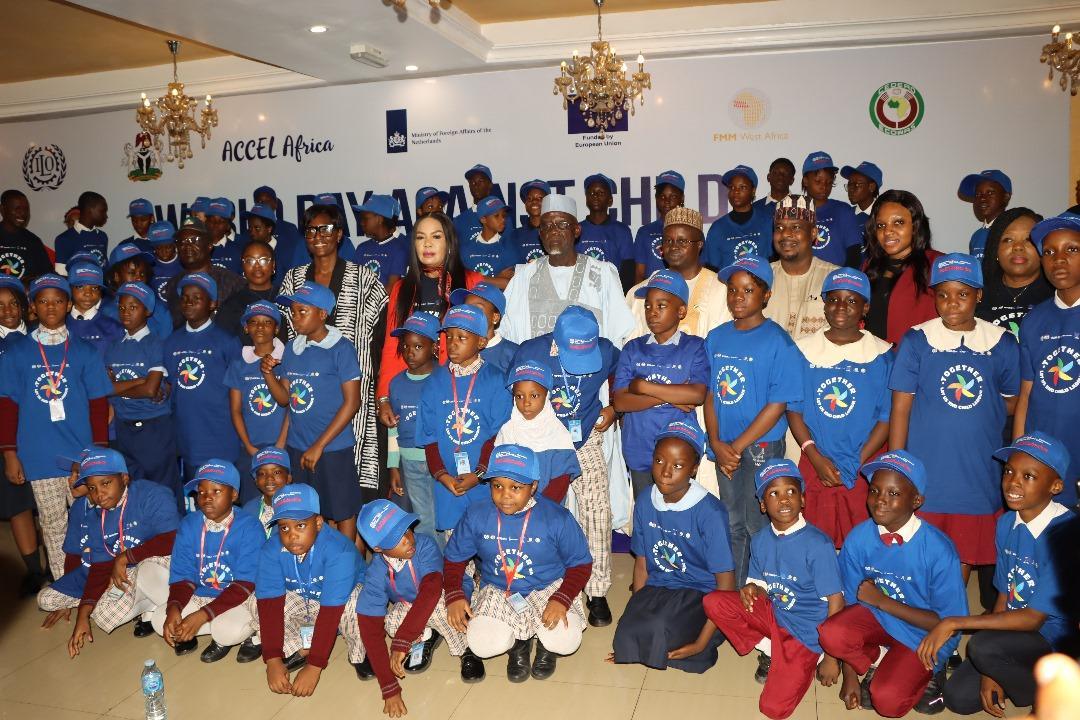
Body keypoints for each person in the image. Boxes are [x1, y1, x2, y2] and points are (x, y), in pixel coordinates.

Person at [916, 433, 1080, 717]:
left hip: (1054, 641)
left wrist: (954, 622)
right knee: (958, 698)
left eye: (1029, 476)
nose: (1013, 482)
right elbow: (1004, 596)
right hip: (1016, 637)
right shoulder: (1006, 523)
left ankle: (1053, 691)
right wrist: (991, 671)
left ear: (1055, 486)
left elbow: (1033, 619)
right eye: (1009, 471)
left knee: (982, 645)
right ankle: (1019, 675)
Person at [890, 253, 1019, 582]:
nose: (952, 303)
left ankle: (951, 610)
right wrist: (897, 465)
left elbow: (1012, 400)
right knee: (922, 551)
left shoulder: (1002, 343)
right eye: (943, 294)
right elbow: (901, 407)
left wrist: (977, 412)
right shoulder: (917, 340)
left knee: (963, 552)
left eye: (963, 294)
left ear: (979, 295)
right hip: (927, 468)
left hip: (976, 470)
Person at [818, 451, 967, 717]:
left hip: (925, 635)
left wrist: (881, 601)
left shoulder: (938, 550)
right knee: (831, 633)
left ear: (916, 501)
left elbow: (948, 623)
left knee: (887, 702)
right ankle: (879, 659)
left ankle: (931, 670)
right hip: (880, 621)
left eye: (894, 493)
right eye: (874, 490)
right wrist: (849, 675)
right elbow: (848, 605)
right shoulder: (860, 538)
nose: (880, 500)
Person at [703, 459, 844, 720]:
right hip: (775, 615)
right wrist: (752, 588)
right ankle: (771, 649)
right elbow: (761, 586)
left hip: (806, 633)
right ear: (762, 505)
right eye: (773, 494)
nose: (784, 499)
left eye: (791, 491)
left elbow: (836, 602)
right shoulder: (760, 540)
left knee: (773, 709)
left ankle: (804, 657)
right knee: (714, 601)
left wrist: (831, 656)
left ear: (803, 499)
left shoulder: (818, 545)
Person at [509, 305, 620, 627]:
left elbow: (621, 373)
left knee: (598, 510)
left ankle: (596, 590)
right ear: (556, 340)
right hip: (541, 442)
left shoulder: (606, 350)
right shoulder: (531, 352)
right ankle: (543, 581)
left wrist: (614, 407)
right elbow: (513, 396)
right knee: (539, 511)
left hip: (584, 437)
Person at [443, 444, 593, 682]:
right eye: (497, 486)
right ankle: (518, 644)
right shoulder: (476, 514)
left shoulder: (557, 518)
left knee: (566, 641)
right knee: (481, 644)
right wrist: (454, 594)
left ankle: (545, 645)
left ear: (533, 486)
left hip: (548, 588)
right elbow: (454, 558)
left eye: (516, 487)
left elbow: (581, 564)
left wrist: (562, 598)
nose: (505, 495)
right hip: (499, 589)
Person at [0, 274, 112, 581]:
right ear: (32, 307)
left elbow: (98, 406)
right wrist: (10, 454)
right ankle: (65, 584)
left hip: (81, 456)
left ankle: (94, 581)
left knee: (92, 520)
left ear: (69, 305)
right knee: (52, 524)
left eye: (58, 300)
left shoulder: (85, 352)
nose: (51, 307)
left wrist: (98, 455)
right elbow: (7, 407)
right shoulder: (16, 354)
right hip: (38, 456)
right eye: (43, 301)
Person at [280, 203, 388, 505]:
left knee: (348, 496)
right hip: (309, 398)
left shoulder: (364, 279)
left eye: (325, 228)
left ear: (339, 234)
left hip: (354, 395)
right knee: (310, 495)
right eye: (311, 230)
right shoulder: (293, 280)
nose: (318, 236)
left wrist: (381, 392)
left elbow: (380, 340)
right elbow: (287, 338)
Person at [704, 256, 801, 587]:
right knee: (733, 520)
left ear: (766, 295)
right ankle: (735, 590)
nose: (738, 297)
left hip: (761, 446)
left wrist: (736, 447)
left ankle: (761, 589)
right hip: (725, 446)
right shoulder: (716, 338)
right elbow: (711, 394)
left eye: (748, 290)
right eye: (732, 290)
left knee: (758, 521)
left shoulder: (778, 341)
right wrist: (716, 442)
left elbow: (778, 404)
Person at [613, 420, 734, 673]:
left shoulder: (710, 512)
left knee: (660, 630)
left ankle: (710, 635)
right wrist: (636, 610)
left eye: (678, 465)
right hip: (661, 585)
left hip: (699, 591)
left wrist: (700, 643)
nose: (665, 472)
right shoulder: (645, 500)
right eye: (659, 461)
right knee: (626, 632)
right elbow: (642, 564)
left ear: (694, 468)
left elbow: (726, 584)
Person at [626, 207, 731, 497]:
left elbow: (721, 356)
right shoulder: (641, 292)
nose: (673, 246)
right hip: (647, 416)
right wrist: (669, 392)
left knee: (699, 493)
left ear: (700, 244)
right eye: (668, 240)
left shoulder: (721, 289)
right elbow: (631, 359)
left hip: (700, 409)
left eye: (682, 240)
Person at [37, 448, 177, 658]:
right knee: (101, 615)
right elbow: (100, 566)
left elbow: (174, 538)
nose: (99, 494)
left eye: (105, 483)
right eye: (92, 488)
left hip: (159, 564)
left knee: (148, 569)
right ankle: (148, 603)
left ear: (124, 478)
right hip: (126, 573)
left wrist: (125, 557)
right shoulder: (97, 514)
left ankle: (169, 605)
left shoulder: (152, 494)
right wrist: (83, 614)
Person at [788, 269, 892, 547]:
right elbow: (794, 410)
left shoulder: (883, 354)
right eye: (833, 299)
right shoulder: (802, 350)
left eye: (851, 300)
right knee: (815, 542)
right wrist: (815, 456)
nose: (841, 307)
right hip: (816, 462)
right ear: (824, 303)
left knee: (861, 542)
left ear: (865, 307)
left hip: (864, 465)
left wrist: (858, 460)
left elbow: (886, 417)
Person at [356, 500, 482, 717]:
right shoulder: (376, 571)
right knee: (392, 622)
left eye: (406, 530)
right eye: (396, 539)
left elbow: (432, 590)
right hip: (414, 605)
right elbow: (369, 626)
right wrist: (389, 688)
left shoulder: (424, 544)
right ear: (377, 549)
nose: (407, 539)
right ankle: (427, 635)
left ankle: (466, 650)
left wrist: (403, 640)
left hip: (447, 595)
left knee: (442, 610)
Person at [262, 281, 363, 542]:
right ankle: (319, 558)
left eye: (302, 311)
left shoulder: (341, 349)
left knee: (342, 510)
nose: (295, 317)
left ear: (322, 314)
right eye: (293, 312)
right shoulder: (292, 349)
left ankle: (346, 560)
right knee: (311, 510)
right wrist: (269, 375)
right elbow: (285, 399)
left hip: (332, 448)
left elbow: (353, 402)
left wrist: (319, 445)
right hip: (299, 446)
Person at [255, 484, 370, 695]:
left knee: (358, 603)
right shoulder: (272, 549)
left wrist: (315, 666)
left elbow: (331, 610)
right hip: (305, 601)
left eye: (300, 525)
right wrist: (272, 659)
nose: (292, 536)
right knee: (256, 600)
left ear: (318, 523)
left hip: (338, 605)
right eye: (284, 527)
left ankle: (359, 652)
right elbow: (269, 603)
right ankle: (303, 646)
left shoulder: (339, 551)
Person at [377, 211, 483, 425]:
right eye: (420, 237)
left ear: (449, 243)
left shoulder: (472, 282)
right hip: (411, 396)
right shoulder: (401, 288)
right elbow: (392, 346)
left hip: (461, 393)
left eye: (436, 236)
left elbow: (483, 342)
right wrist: (384, 397)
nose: (427, 244)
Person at [417, 304, 512, 537]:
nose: (452, 343)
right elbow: (429, 438)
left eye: (461, 337)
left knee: (488, 540)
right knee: (455, 546)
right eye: (449, 336)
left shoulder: (496, 380)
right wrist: (442, 476)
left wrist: (478, 475)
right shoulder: (434, 382)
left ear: (481, 342)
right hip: (449, 484)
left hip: (485, 483)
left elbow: (499, 436)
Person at [153, 460, 263, 662]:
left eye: (216, 491)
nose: (207, 498)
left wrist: (202, 615)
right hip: (202, 594)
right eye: (201, 492)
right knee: (160, 620)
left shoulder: (250, 526)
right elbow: (183, 575)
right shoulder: (189, 524)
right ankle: (197, 627)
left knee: (226, 632)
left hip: (240, 597)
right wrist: (174, 607)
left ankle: (239, 630)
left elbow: (246, 583)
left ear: (234, 495)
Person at [614, 269, 709, 498]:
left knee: (678, 511)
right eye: (648, 306)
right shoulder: (633, 348)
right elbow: (620, 401)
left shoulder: (695, 347)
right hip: (639, 447)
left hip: (678, 453)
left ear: (681, 311)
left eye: (661, 305)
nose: (652, 312)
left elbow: (696, 394)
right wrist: (672, 396)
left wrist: (642, 387)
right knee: (645, 509)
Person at [501, 194, 635, 346]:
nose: (553, 231)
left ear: (576, 230)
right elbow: (506, 331)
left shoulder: (602, 273)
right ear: (540, 233)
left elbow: (621, 331)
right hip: (535, 361)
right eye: (546, 226)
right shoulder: (524, 276)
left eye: (562, 224)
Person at [1015, 212, 1080, 507]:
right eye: (1050, 252)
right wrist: (1018, 453)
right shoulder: (1033, 320)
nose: (1059, 259)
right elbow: (1026, 394)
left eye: (1072, 249)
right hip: (1043, 457)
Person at [162, 272, 242, 503]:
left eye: (197, 298)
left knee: (224, 498)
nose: (189, 302)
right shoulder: (171, 342)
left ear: (212, 304)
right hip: (188, 435)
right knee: (200, 499)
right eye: (185, 298)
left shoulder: (227, 341)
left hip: (221, 434)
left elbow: (239, 391)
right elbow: (170, 387)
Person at [104, 281, 179, 497]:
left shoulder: (156, 344)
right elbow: (105, 388)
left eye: (133, 307)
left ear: (147, 311)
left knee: (163, 489)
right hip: (124, 428)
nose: (126, 312)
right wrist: (140, 381)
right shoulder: (113, 347)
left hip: (154, 427)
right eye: (122, 307)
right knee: (134, 491)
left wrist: (118, 388)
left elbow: (150, 390)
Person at [0, 276, 46, 594]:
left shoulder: (40, 336)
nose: (7, 311)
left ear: (24, 307)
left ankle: (59, 563)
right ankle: (33, 570)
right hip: (8, 435)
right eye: (0, 306)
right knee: (18, 503)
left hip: (43, 432)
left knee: (49, 502)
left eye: (13, 303)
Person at [224, 300, 288, 501]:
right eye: (254, 322)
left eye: (267, 322)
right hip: (250, 447)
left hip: (282, 444)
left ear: (276, 328)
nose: (260, 327)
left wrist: (280, 444)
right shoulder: (238, 364)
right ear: (246, 327)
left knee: (283, 501)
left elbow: (291, 407)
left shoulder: (287, 359)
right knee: (252, 501)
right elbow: (235, 410)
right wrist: (249, 445)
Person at [386, 312, 441, 540]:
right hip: (410, 462)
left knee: (443, 517)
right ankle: (430, 560)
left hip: (441, 461)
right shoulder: (396, 383)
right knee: (423, 519)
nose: (410, 352)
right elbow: (392, 426)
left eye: (418, 346)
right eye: (406, 346)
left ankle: (447, 559)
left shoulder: (443, 379)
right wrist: (393, 465)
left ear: (434, 347)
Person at [863, 189, 943, 345]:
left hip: (918, 357)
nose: (888, 231)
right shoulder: (868, 266)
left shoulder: (937, 264)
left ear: (915, 226)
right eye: (881, 225)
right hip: (872, 356)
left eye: (898, 222)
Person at [496, 361, 581, 503]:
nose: (526, 403)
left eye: (534, 396)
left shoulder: (558, 434)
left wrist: (539, 507)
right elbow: (500, 476)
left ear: (547, 396)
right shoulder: (508, 431)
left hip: (547, 507)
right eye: (519, 396)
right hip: (511, 504)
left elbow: (561, 481)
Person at [765, 194, 840, 341]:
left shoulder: (835, 278)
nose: (786, 234)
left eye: (796, 227)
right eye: (779, 227)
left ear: (813, 233)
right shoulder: (761, 278)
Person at [976, 208, 1053, 337]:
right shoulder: (977, 295)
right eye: (1008, 240)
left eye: (1028, 239)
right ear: (995, 250)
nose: (1018, 247)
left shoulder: (1058, 295)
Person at [163, 217, 245, 328]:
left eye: (194, 240)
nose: (187, 246)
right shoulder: (173, 285)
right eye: (181, 241)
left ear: (209, 245)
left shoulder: (232, 283)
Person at [704, 165, 774, 270]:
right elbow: (712, 270)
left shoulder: (767, 222)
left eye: (742, 187)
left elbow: (774, 264)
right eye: (732, 187)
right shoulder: (718, 228)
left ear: (753, 191)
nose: (736, 191)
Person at [214, 240, 285, 341]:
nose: (257, 266)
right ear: (242, 266)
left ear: (273, 265)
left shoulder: (285, 297)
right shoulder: (231, 306)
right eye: (250, 261)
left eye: (263, 260)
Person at [800, 152, 861, 267]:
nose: (824, 186)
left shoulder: (843, 211)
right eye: (818, 181)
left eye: (829, 182)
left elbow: (854, 254)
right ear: (806, 181)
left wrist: (843, 277)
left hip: (836, 277)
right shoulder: (794, 211)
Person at [102, 242, 172, 340]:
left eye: (142, 274)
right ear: (116, 276)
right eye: (132, 273)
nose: (139, 278)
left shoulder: (159, 310)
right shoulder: (106, 312)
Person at [579, 173, 634, 289]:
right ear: (586, 199)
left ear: (610, 200)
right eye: (591, 193)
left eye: (601, 193)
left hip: (612, 293)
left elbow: (628, 272)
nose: (595, 196)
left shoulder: (622, 231)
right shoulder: (576, 230)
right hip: (582, 295)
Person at [451, 282, 517, 376]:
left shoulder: (513, 355)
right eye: (466, 308)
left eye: (477, 309)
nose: (468, 313)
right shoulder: (455, 348)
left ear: (495, 317)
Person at [633, 170, 685, 283]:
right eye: (662, 196)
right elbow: (639, 274)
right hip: (652, 292)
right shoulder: (645, 232)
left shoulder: (692, 232)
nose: (667, 201)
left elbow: (699, 271)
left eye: (673, 196)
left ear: (682, 198)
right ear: (656, 198)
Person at [351, 194, 408, 289]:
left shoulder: (399, 249)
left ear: (379, 219)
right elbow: (352, 282)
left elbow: (391, 288)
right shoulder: (361, 248)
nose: (361, 223)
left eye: (365, 218)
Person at [459, 196, 518, 287]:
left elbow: (510, 284)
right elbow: (462, 282)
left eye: (504, 215)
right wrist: (497, 278)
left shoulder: (509, 249)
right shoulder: (465, 250)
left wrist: (475, 279)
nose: (503, 219)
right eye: (496, 216)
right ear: (483, 219)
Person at [67, 262, 124, 355]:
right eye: (80, 286)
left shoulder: (114, 328)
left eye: (95, 288)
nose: (88, 293)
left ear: (101, 292)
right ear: (69, 289)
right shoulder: (60, 325)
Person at [241, 203, 300, 287]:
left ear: (269, 229)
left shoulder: (288, 251)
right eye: (250, 227)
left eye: (257, 228)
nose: (252, 232)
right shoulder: (246, 250)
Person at [959, 170, 1012, 263]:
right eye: (978, 194)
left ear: (1006, 197)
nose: (982, 198)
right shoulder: (977, 236)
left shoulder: (1012, 232)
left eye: (990, 193)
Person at [0, 189, 52, 281]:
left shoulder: (33, 241)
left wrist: (31, 280)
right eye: (17, 209)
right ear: (2, 210)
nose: (23, 213)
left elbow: (46, 275)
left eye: (26, 209)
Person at [839, 161, 882, 268]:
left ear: (871, 187)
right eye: (849, 184)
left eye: (857, 184)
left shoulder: (882, 216)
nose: (851, 189)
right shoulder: (846, 215)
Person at [242, 446, 292, 535]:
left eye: (276, 472)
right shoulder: (249, 509)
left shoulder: (297, 509)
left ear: (288, 478)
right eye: (262, 474)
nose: (269, 478)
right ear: (256, 481)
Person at [253, 185, 306, 268]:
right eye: (259, 201)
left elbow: (298, 257)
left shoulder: (289, 229)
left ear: (275, 204)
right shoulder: (249, 234)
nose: (264, 204)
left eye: (267, 201)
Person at [54, 191, 108, 273]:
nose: (106, 216)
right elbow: (62, 273)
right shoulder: (64, 239)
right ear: (90, 210)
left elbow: (104, 266)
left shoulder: (102, 236)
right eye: (103, 211)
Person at [453, 164, 497, 246]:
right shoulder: (459, 221)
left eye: (481, 181)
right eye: (472, 182)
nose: (476, 185)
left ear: (490, 185)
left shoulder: (502, 218)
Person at [508, 179, 548, 265]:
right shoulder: (514, 236)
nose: (534, 201)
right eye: (529, 198)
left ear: (548, 201)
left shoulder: (556, 233)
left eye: (540, 198)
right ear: (525, 204)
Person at [205, 197, 244, 275]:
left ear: (228, 225)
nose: (216, 224)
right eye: (212, 220)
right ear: (206, 222)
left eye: (221, 221)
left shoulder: (238, 250)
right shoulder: (198, 249)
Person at [147, 220, 181, 305]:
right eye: (158, 247)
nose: (163, 251)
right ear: (153, 248)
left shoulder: (185, 263)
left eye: (168, 247)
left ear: (174, 244)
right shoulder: (149, 266)